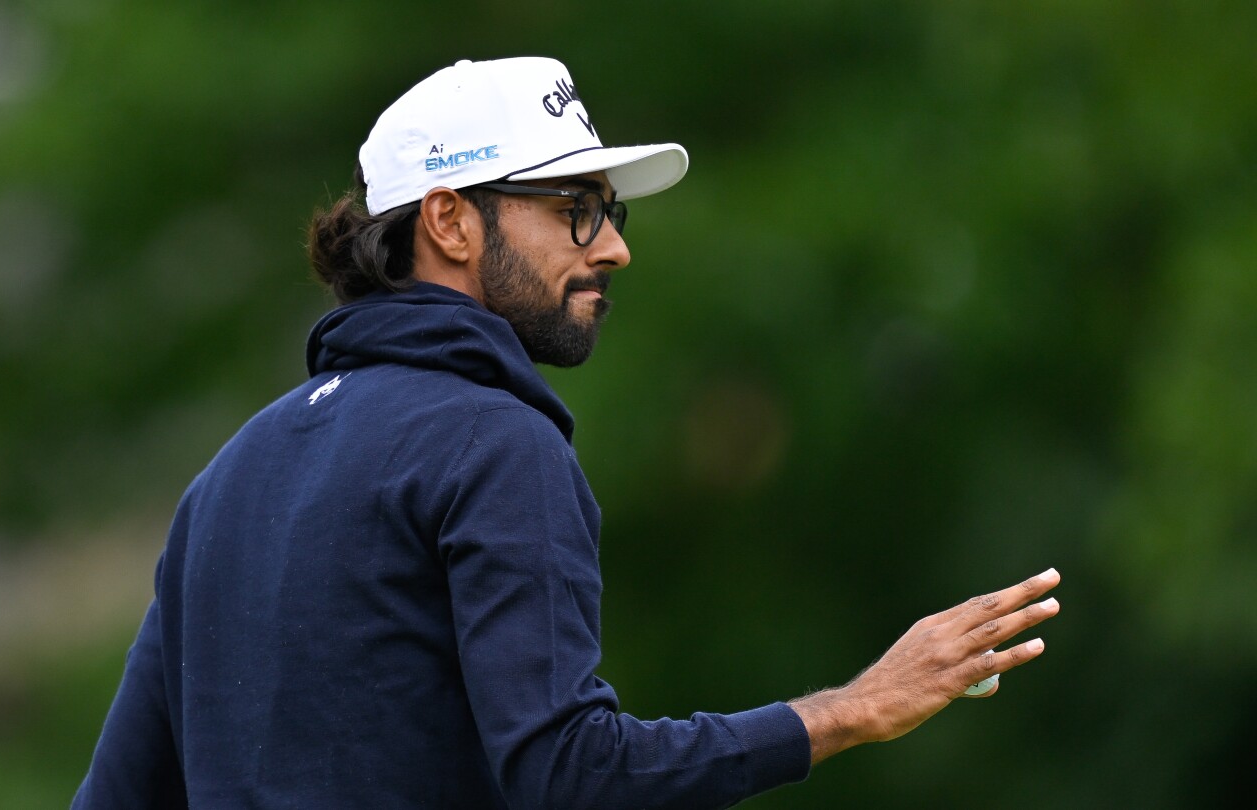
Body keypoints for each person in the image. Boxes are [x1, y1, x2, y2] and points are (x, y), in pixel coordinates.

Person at [72, 56, 1062, 809]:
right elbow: (566, 772)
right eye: (576, 209)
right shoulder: (494, 443)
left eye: (611, 210)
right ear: (452, 222)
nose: (617, 247)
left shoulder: (226, 478)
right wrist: (846, 710)